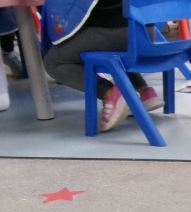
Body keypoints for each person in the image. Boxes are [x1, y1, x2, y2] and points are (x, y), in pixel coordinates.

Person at [43, 0, 163, 131]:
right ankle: (143, 91)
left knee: (54, 61)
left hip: (117, 30)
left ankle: (110, 93)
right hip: (146, 32)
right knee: (117, 52)